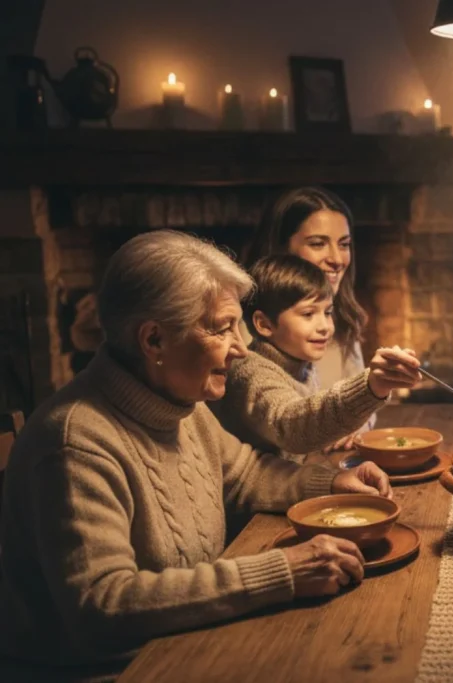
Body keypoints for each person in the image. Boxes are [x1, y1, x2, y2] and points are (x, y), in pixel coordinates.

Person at [0, 231, 421, 670]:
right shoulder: (75, 443)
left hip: (185, 641)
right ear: (154, 341)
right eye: (220, 329)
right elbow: (104, 605)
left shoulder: (181, 405)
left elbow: (244, 474)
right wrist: (280, 573)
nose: (240, 349)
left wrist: (332, 482)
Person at [213, 254, 414, 462]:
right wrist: (369, 387)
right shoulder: (250, 372)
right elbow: (291, 426)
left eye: (327, 312)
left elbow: (311, 423)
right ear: (264, 324)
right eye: (308, 314)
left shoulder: (302, 365)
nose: (325, 327)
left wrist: (336, 429)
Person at [247, 187, 372, 450]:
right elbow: (286, 423)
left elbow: (365, 411)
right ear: (281, 248)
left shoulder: (339, 318)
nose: (337, 259)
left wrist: (354, 427)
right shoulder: (243, 338)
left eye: (344, 244)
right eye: (317, 243)